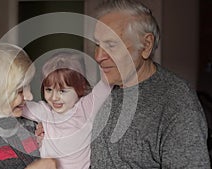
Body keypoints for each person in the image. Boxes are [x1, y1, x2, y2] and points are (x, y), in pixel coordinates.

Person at [90, 0, 211, 168]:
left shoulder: (176, 102)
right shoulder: (104, 89)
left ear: (146, 45)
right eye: (98, 44)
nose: (98, 56)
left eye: (111, 45)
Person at [22, 51, 113, 169]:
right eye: (49, 90)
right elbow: (13, 104)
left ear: (80, 88)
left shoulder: (86, 107)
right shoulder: (44, 111)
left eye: (62, 91)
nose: (54, 98)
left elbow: (107, 82)